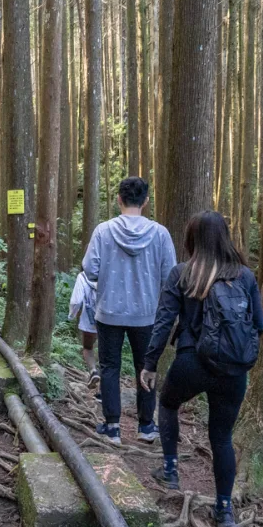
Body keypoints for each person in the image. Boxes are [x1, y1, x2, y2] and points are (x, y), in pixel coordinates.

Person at [140, 210, 263, 527]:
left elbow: (164, 321)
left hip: (191, 363)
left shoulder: (183, 274)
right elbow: (261, 325)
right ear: (226, 237)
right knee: (221, 437)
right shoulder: (245, 277)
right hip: (234, 371)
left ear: (192, 238)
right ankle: (224, 511)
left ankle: (170, 469)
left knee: (168, 404)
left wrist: (150, 363)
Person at [81, 176, 177, 446]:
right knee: (145, 367)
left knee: (110, 366)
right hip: (147, 314)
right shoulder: (160, 233)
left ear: (119, 199)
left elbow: (89, 269)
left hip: (109, 310)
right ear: (146, 201)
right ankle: (146, 426)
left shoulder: (103, 231)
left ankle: (112, 427)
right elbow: (170, 276)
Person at [67, 271, 100, 390]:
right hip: (110, 319)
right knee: (109, 355)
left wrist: (71, 315)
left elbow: (76, 300)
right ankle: (102, 392)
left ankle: (93, 371)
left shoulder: (83, 276)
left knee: (88, 348)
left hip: (89, 321)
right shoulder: (112, 271)